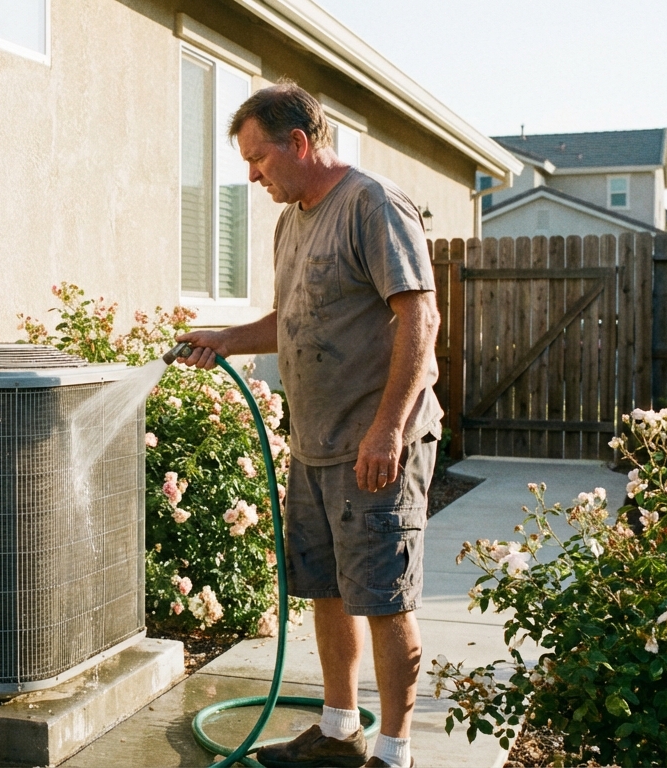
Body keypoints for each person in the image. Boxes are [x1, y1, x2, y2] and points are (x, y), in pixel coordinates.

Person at [175, 82, 440, 768]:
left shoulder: (371, 205)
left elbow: (420, 318)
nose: (251, 175)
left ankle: (395, 753)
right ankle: (338, 728)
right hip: (316, 444)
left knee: (383, 597)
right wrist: (226, 338)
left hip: (376, 443)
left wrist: (387, 430)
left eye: (258, 159)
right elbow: (290, 319)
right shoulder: (292, 221)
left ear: (298, 142)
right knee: (325, 590)